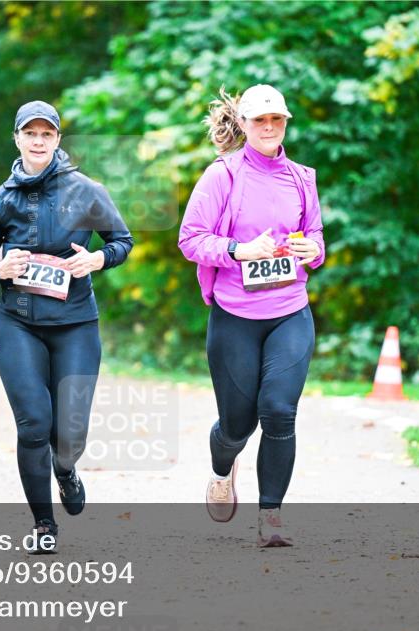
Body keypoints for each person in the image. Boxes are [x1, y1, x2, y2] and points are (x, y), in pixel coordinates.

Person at [0, 101, 133, 553]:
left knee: (70, 431)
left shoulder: (86, 190)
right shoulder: (0, 200)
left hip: (76, 323)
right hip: (18, 323)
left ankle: (66, 469)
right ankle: (44, 526)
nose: (38, 141)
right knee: (33, 424)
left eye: (47, 134)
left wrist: (96, 258)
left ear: (58, 140)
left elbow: (123, 241)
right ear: (17, 139)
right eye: (30, 134)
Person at [178, 84, 325, 547]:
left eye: (276, 120)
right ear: (242, 124)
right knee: (238, 424)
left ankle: (271, 517)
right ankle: (223, 468)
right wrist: (240, 250)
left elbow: (316, 240)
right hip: (235, 314)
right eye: (259, 120)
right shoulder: (222, 175)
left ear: (285, 124)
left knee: (279, 412)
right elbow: (190, 239)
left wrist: (312, 249)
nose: (268, 127)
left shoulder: (302, 177)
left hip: (289, 311)